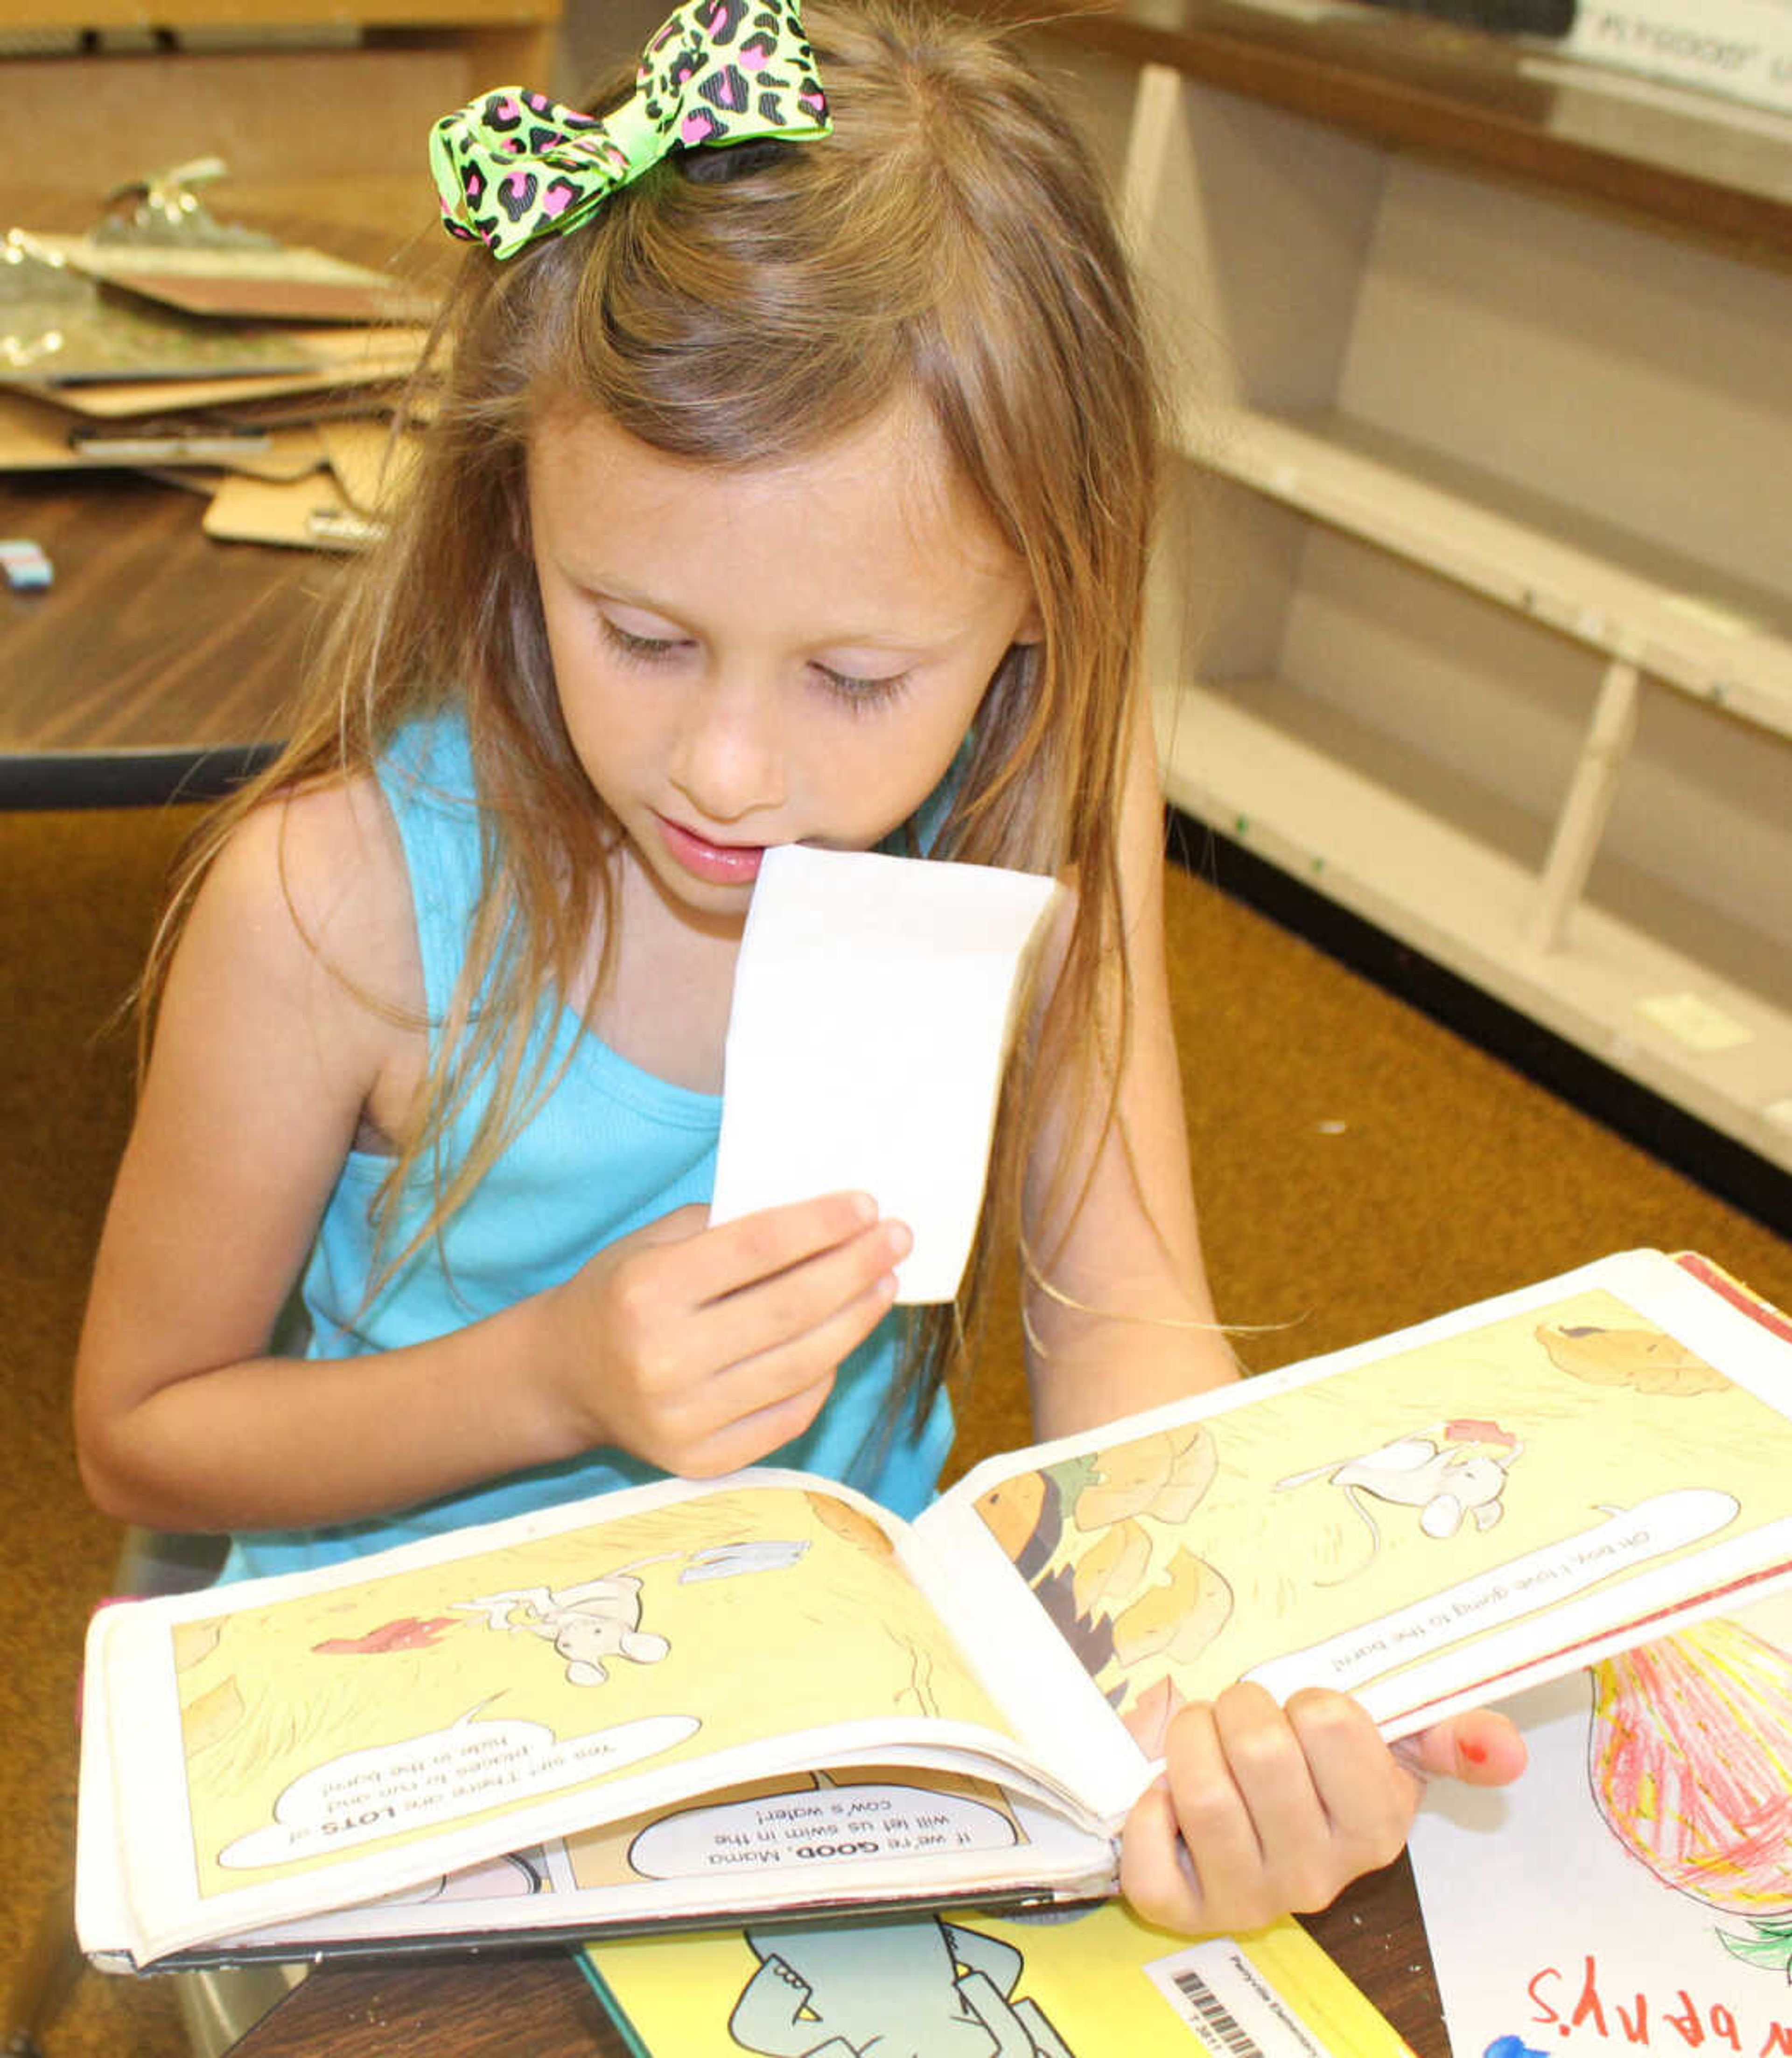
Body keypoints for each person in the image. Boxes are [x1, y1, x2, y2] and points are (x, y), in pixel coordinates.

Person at [72, 0, 1521, 1937]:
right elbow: (143, 1422)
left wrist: (1243, 1674)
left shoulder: (1048, 793)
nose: (733, 774)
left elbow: (1124, 1323)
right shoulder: (331, 906)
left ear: (1036, 605)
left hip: (830, 1719)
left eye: (857, 679)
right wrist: (554, 1371)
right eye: (645, 633)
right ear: (522, 514)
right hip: (390, 1727)